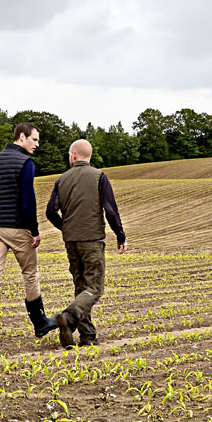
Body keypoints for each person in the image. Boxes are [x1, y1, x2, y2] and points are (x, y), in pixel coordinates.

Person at [0, 122, 58, 342]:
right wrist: (34, 230)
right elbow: (27, 200)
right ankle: (40, 324)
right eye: (35, 140)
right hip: (17, 227)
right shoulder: (25, 163)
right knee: (30, 273)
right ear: (22, 137)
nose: (37, 144)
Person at [46, 139, 127, 349]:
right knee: (94, 288)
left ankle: (88, 336)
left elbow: (50, 211)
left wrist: (65, 227)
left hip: (70, 241)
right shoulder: (99, 176)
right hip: (92, 240)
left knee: (82, 287)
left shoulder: (61, 179)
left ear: (73, 155)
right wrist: (120, 235)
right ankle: (69, 316)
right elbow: (110, 210)